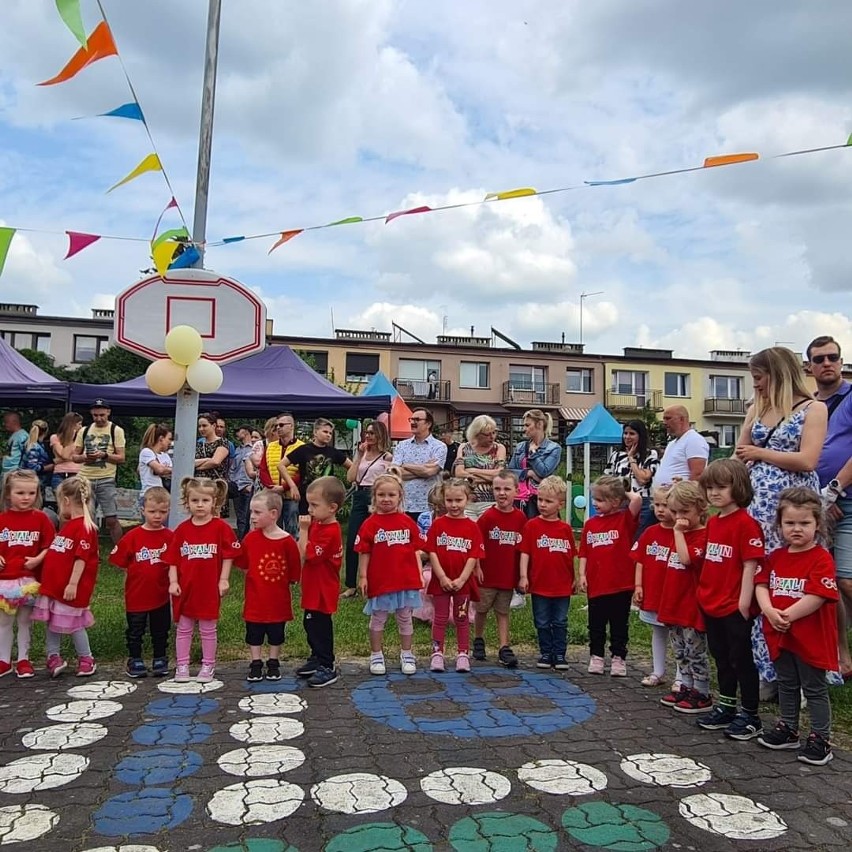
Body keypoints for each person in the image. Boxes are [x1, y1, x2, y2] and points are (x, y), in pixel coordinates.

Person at [735, 346, 827, 689]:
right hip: (756, 507)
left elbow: (808, 460)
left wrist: (759, 453)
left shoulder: (813, 408)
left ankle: (803, 668)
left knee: (792, 580)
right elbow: (738, 455)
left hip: (793, 507)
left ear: (777, 373)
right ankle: (767, 668)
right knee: (760, 578)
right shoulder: (757, 408)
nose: (756, 384)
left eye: (759, 377)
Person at [755, 488, 839, 766]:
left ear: (818, 523)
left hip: (810, 637)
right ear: (779, 525)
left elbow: (817, 596)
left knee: (813, 688)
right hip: (780, 635)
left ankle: (820, 738)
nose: (797, 529)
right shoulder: (777, 557)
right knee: (787, 683)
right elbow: (762, 584)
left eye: (805, 523)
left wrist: (787, 614)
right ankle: (788, 727)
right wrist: (768, 610)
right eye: (790, 523)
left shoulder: (821, 558)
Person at [695, 459, 765, 740]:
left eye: (721, 487)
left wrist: (744, 603)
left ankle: (750, 715)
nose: (714, 493)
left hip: (734, 604)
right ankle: (726, 705)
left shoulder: (746, 524)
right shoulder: (713, 522)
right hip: (711, 602)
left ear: (737, 487)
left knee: (741, 659)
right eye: (709, 487)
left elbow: (751, 564)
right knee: (721, 656)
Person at [807, 335, 852, 679]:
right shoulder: (808, 404)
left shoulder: (851, 397)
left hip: (844, 500)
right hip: (814, 504)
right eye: (819, 359)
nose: (827, 363)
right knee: (827, 582)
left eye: (832, 357)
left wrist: (834, 489)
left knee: (846, 580)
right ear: (809, 367)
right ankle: (840, 653)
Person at [165, 477, 239, 683]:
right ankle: (182, 665)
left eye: (205, 500)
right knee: (184, 628)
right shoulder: (182, 530)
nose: (199, 505)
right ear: (186, 502)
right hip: (185, 588)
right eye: (195, 500)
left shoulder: (221, 528)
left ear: (214, 502)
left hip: (208, 588)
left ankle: (208, 665)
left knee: (208, 628)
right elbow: (172, 559)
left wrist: (224, 579)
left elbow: (228, 556)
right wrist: (173, 581)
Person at [355, 473, 423, 676]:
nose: (386, 499)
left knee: (405, 617)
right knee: (378, 619)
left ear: (400, 496)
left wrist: (419, 573)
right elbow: (364, 552)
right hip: (381, 579)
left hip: (405, 579)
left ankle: (407, 653)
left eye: (391, 494)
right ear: (374, 497)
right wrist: (363, 576)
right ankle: (376, 655)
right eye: (381, 495)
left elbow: (416, 550)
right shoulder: (370, 523)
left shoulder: (407, 521)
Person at [31, 476, 100, 677]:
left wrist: (72, 584)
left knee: (74, 623)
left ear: (67, 501)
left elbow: (81, 559)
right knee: (53, 621)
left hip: (69, 588)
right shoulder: (68, 526)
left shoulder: (85, 528)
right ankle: (53, 656)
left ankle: (86, 657)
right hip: (54, 586)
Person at [578, 476, 642, 676]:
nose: (595, 504)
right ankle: (596, 656)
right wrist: (581, 574)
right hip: (597, 584)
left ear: (615, 501)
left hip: (620, 584)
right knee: (596, 624)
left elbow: (637, 499)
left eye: (600, 500)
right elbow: (584, 552)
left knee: (619, 624)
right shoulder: (590, 524)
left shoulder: (624, 519)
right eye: (594, 499)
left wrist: (621, 491)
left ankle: (618, 657)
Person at [234, 490, 301, 682]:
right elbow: (244, 563)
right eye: (251, 512)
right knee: (253, 632)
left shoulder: (287, 541)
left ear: (273, 514)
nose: (252, 517)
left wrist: (292, 579)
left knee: (276, 632)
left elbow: (294, 565)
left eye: (257, 512)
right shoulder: (250, 539)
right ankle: (255, 663)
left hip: (278, 599)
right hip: (255, 597)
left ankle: (273, 661)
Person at [108, 486, 173, 678]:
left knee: (160, 629)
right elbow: (119, 560)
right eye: (152, 512)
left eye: (162, 512)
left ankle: (160, 657)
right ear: (143, 510)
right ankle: (134, 658)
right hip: (136, 595)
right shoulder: (133, 537)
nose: (157, 516)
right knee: (135, 630)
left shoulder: (170, 537)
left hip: (161, 595)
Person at [657, 481, 711, 715]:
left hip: (691, 605)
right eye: (675, 512)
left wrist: (678, 532)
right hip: (673, 601)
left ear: (700, 508)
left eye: (685, 512)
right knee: (679, 648)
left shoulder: (700, 536)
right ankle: (685, 684)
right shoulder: (678, 534)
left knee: (695, 649)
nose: (679, 518)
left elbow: (687, 559)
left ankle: (702, 690)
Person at [426, 478, 485, 673]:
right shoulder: (437, 525)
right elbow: (432, 552)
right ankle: (437, 653)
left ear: (467, 499)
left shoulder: (472, 527)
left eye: (458, 500)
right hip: (440, 582)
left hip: (463, 583)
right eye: (449, 500)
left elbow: (473, 556)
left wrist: (461, 579)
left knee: (461, 618)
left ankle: (462, 653)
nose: (453, 505)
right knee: (440, 617)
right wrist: (442, 577)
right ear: (443, 500)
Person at [517, 475, 576, 670]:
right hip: (540, 583)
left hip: (561, 585)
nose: (542, 504)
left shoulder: (565, 529)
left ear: (560, 504)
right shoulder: (531, 525)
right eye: (540, 500)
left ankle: (559, 653)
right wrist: (524, 576)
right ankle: (545, 652)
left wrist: (574, 578)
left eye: (548, 501)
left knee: (560, 621)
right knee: (541, 621)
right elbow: (525, 553)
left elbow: (569, 557)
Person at [0, 470, 54, 678]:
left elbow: (51, 545)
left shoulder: (41, 518)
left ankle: (24, 658)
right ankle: (4, 659)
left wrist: (38, 559)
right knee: (4, 622)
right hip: (5, 580)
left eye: (31, 493)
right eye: (20, 493)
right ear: (8, 494)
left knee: (25, 621)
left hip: (28, 580)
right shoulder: (2, 519)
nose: (26, 498)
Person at [473, 469, 526, 668]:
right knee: (481, 609)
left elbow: (523, 548)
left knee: (503, 611)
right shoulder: (487, 517)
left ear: (516, 491)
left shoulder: (520, 518)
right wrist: (477, 567)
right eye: (497, 489)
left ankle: (504, 646)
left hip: (507, 574)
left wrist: (522, 575)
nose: (502, 493)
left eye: (506, 489)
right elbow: (476, 543)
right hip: (487, 574)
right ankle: (478, 638)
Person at [297, 476, 345, 688]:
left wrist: (303, 531)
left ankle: (328, 664)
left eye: (315, 505)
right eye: (309, 504)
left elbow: (308, 555)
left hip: (323, 587)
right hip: (312, 584)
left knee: (320, 627)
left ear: (332, 508)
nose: (310, 510)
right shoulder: (318, 524)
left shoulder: (331, 531)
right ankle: (316, 656)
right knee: (309, 623)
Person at [632, 486, 677, 687]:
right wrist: (638, 585)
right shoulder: (650, 532)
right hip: (653, 592)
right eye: (657, 505)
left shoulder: (681, 534)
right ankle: (658, 671)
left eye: (665, 505)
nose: (660, 510)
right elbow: (640, 559)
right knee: (657, 632)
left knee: (678, 637)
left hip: (673, 594)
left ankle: (681, 676)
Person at [343, 420, 392, 598]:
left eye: (372, 433)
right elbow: (350, 478)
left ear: (380, 435)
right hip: (360, 495)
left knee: (376, 541)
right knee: (353, 540)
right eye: (367, 433)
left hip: (376, 496)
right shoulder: (362, 454)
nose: (368, 436)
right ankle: (350, 584)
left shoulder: (387, 457)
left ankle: (374, 581)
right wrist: (358, 455)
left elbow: (389, 480)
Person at [72, 399, 126, 546]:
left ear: (108, 412)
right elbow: (74, 456)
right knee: (88, 517)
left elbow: (121, 457)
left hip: (106, 478)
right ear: (91, 414)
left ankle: (120, 551)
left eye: (102, 415)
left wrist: (105, 455)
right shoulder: (84, 431)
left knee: (111, 519)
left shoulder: (116, 430)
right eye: (95, 415)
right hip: (85, 478)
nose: (99, 418)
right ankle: (90, 549)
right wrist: (85, 457)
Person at [279, 418, 351, 516]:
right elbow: (281, 465)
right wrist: (292, 486)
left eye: (330, 433)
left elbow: (351, 466)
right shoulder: (303, 450)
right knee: (306, 525)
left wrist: (346, 482)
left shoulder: (333, 452)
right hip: (307, 498)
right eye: (325, 431)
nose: (328, 435)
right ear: (315, 432)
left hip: (327, 498)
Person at [392, 408, 447, 523]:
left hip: (428, 506)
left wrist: (405, 465)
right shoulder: (402, 446)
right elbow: (394, 473)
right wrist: (423, 468)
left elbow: (430, 472)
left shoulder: (439, 447)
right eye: (411, 419)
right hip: (404, 504)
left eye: (417, 419)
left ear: (428, 423)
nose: (412, 422)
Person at [605, 420, 659, 534]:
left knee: (639, 536)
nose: (627, 437)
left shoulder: (650, 454)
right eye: (625, 433)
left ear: (640, 435)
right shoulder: (616, 455)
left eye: (632, 434)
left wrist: (631, 458)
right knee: (622, 535)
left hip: (644, 501)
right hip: (621, 501)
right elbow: (608, 479)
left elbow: (642, 479)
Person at [507, 409, 561, 518]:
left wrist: (534, 454)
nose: (524, 429)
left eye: (527, 425)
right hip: (520, 497)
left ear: (539, 424)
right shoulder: (521, 447)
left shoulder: (554, 448)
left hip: (542, 498)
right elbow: (510, 472)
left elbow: (544, 472)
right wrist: (530, 474)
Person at [452, 415, 507, 520]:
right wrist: (489, 476)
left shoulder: (499, 448)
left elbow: (499, 475)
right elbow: (459, 473)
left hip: (490, 501)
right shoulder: (464, 448)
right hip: (467, 501)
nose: (492, 437)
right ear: (476, 434)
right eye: (487, 434)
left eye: (494, 433)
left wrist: (471, 470)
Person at [258, 413, 303, 536]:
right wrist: (271, 486)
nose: (278, 428)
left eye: (281, 425)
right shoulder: (270, 446)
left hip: (291, 496)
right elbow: (263, 469)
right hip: (273, 494)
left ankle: (292, 553)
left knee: (292, 528)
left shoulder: (302, 447)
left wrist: (284, 487)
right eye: (276, 425)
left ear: (291, 426)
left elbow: (302, 473)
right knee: (272, 527)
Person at [653, 406, 709, 488]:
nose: (664, 422)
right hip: (666, 497)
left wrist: (685, 495)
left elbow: (698, 474)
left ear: (682, 419)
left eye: (668, 418)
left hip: (681, 498)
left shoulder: (694, 440)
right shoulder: (672, 443)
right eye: (664, 419)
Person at [230, 424, 256, 540]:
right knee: (240, 519)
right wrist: (233, 482)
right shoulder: (237, 449)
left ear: (245, 432)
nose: (236, 433)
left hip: (249, 486)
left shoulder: (255, 448)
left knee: (249, 517)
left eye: (238, 430)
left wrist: (251, 485)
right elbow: (232, 468)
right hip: (237, 487)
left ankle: (248, 542)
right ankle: (241, 543)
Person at [49, 412, 82, 491]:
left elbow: (83, 458)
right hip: (60, 473)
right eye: (79, 424)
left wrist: (58, 460)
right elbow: (64, 455)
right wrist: (70, 438)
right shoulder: (55, 437)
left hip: (76, 473)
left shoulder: (80, 439)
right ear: (72, 425)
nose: (81, 427)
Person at [138, 424, 173, 497]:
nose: (170, 442)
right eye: (169, 439)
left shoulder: (165, 455)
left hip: (163, 495)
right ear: (161, 439)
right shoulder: (146, 452)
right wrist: (170, 470)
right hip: (149, 495)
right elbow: (160, 469)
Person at [194, 412, 230, 483]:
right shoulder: (198, 444)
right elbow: (190, 463)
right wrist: (207, 460)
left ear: (213, 425)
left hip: (216, 484)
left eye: (204, 426)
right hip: (198, 484)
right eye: (199, 426)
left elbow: (215, 462)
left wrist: (195, 467)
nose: (201, 429)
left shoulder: (222, 442)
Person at [21, 420, 53, 495]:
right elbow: (32, 466)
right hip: (34, 479)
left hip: (34, 479)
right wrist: (47, 467)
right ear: (46, 431)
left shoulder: (37, 445)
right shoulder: (34, 447)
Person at [1, 411, 29, 485]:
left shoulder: (22, 436)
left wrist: (20, 471)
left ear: (14, 421)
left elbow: (26, 454)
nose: (4, 424)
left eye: (6, 422)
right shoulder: (14, 435)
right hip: (7, 471)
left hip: (14, 471)